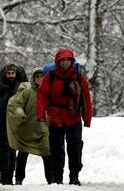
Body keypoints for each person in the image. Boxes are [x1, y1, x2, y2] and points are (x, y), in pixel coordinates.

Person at [36, 48, 93, 186]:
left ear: (72, 61)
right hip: (55, 118)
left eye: (68, 60)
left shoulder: (79, 76)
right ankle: (57, 178)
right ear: (58, 62)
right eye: (63, 60)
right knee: (56, 149)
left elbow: (86, 97)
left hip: (73, 117)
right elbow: (42, 95)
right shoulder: (50, 77)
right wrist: (40, 114)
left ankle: (74, 176)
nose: (65, 63)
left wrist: (87, 118)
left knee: (75, 148)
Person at [6, 67, 52, 185]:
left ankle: (50, 179)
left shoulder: (48, 91)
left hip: (42, 129)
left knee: (47, 153)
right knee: (22, 155)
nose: (39, 79)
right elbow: (17, 104)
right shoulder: (27, 91)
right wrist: (20, 112)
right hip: (26, 129)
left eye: (42, 77)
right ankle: (19, 179)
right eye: (37, 77)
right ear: (33, 78)